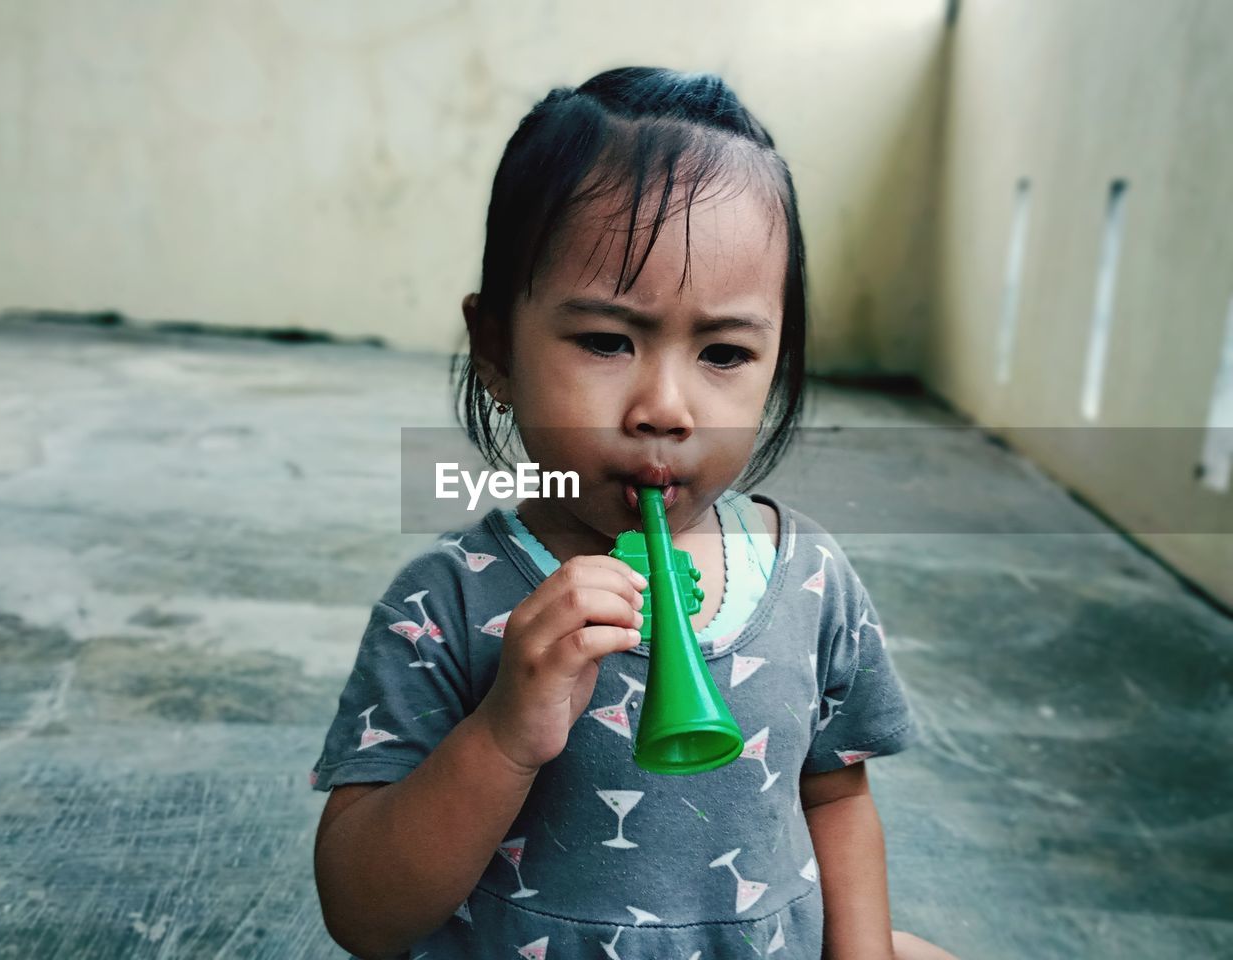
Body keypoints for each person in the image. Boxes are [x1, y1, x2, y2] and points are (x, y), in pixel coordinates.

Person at [311, 67, 961, 960]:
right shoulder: (448, 602)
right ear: (496, 347)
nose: (664, 404)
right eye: (607, 340)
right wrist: (503, 734)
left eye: (725, 352)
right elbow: (364, 914)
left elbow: (837, 798)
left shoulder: (808, 578)